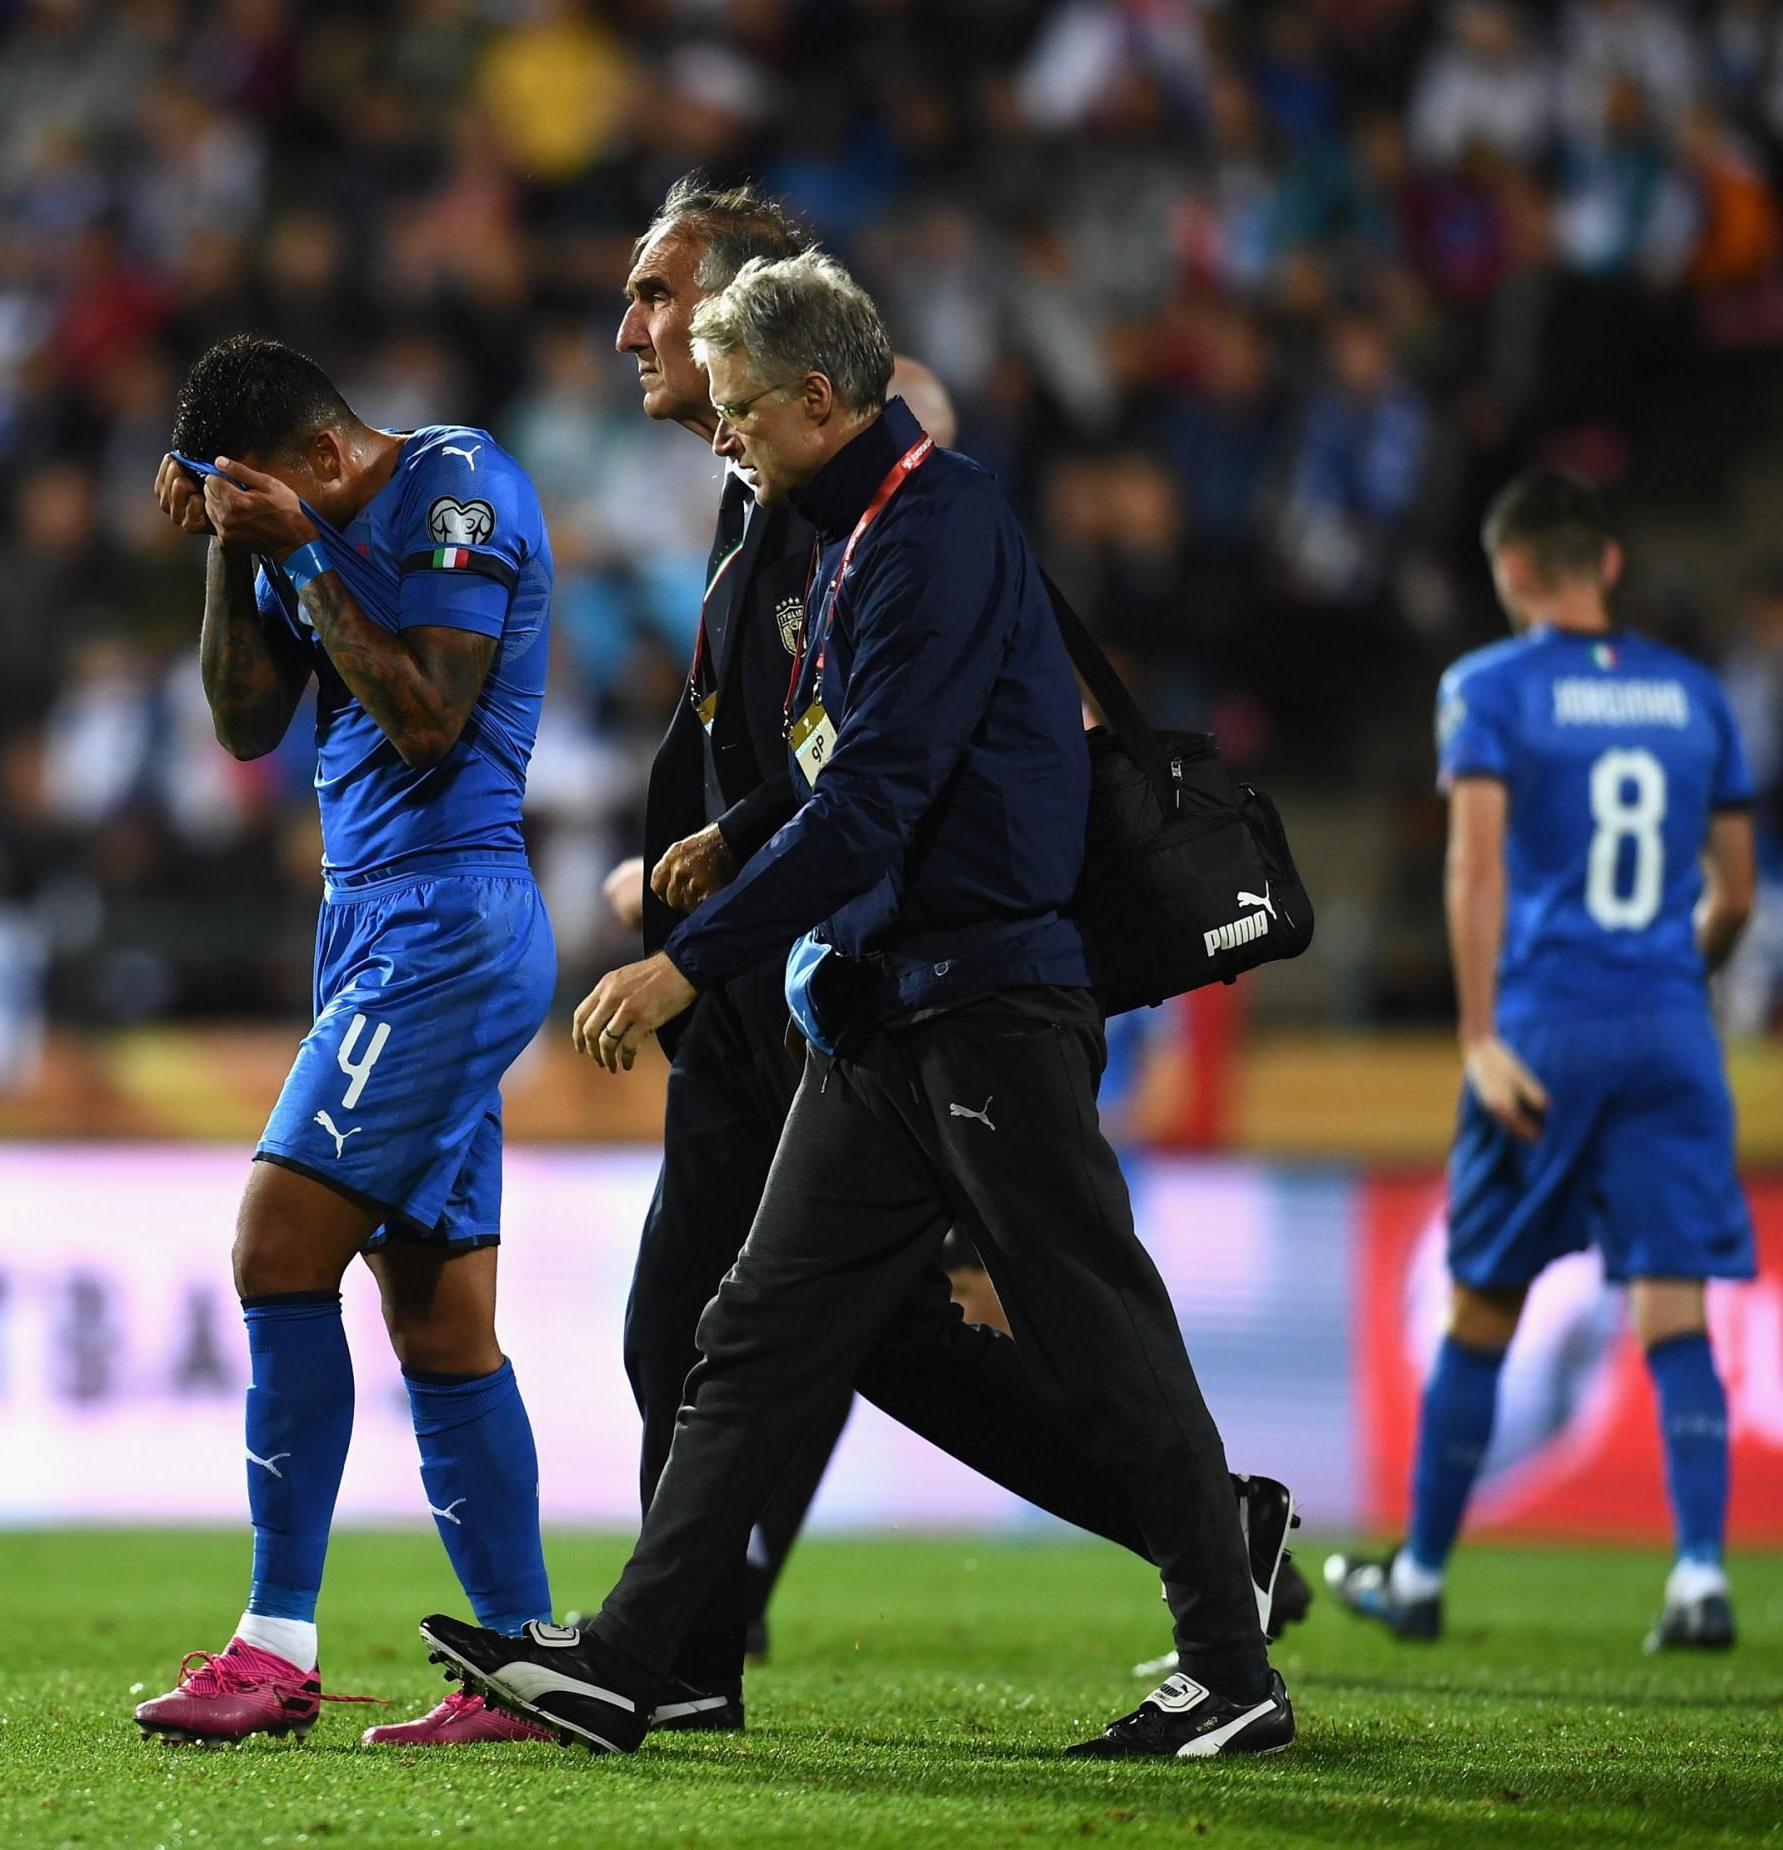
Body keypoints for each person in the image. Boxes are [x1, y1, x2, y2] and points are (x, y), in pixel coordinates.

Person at [421, 251, 1294, 1758]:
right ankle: (634, 1661)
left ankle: (1232, 1666)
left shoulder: (933, 532)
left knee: (1100, 1334)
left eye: (745, 409)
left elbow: (884, 792)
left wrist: (691, 952)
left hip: (984, 1006)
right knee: (751, 1335)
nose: (724, 432)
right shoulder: (837, 530)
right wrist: (738, 830)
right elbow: (844, 762)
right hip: (881, 1013)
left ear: (821, 399)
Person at [132, 335, 562, 1747]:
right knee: (438, 1316)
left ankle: (275, 1644)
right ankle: (524, 1662)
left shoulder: (457, 490)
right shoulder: (287, 525)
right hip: (371, 926)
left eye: (256, 488)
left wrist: (303, 552)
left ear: (323, 454)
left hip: (452, 916)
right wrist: (225, 544)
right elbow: (247, 725)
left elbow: (433, 722)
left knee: (273, 1249)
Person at [1329, 470, 1757, 1652]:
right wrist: (1681, 972)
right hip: (1669, 1026)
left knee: (1480, 1303)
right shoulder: (1694, 697)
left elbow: (1473, 870)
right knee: (1671, 1307)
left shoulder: (1486, 689)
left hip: (1545, 1027)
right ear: (1606, 565)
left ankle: (1416, 1574)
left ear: (1510, 573)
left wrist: (1475, 1034)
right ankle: (1697, 1579)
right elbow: (1731, 892)